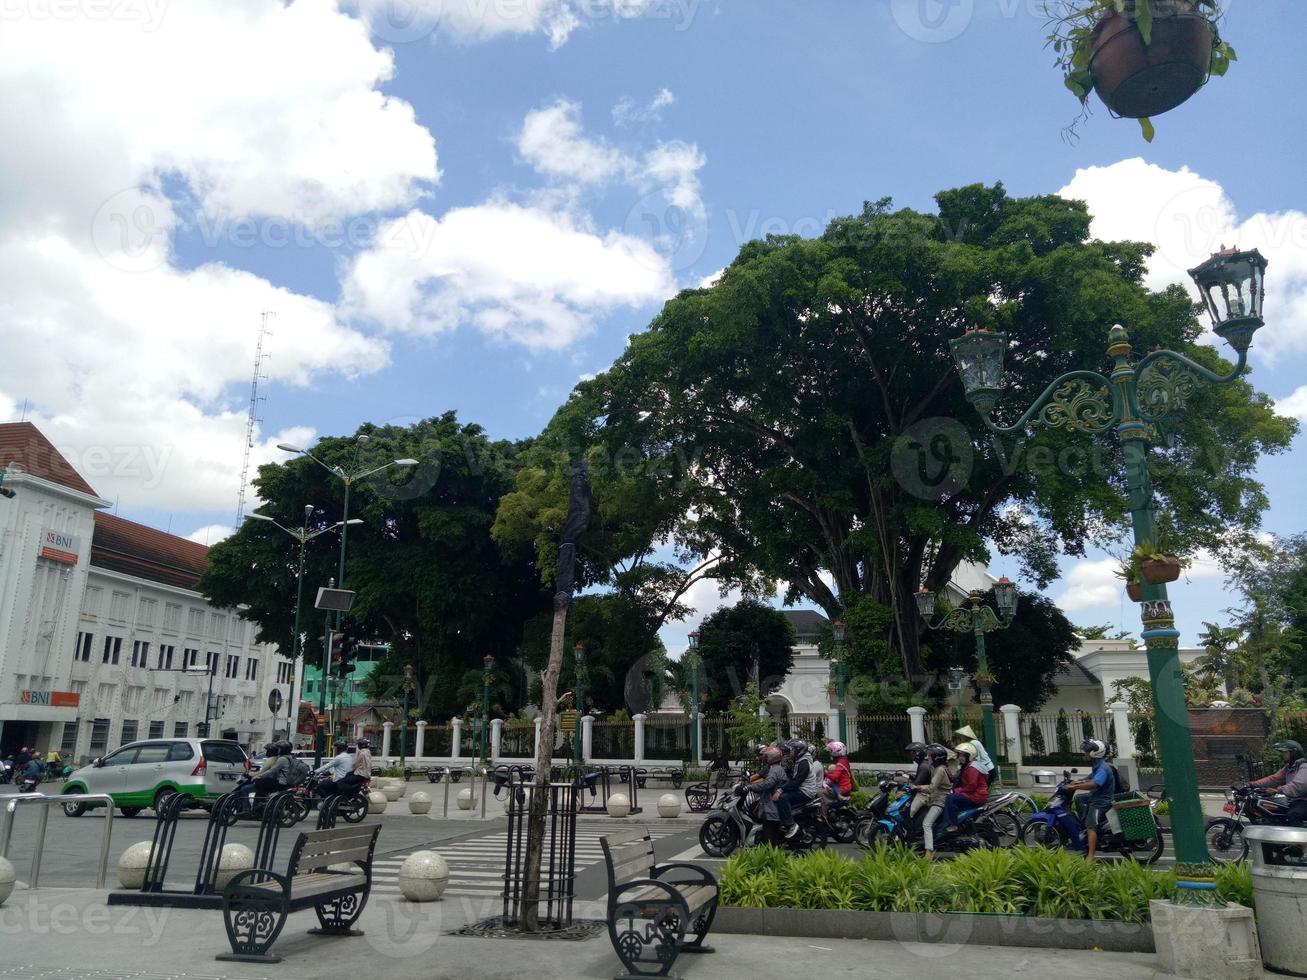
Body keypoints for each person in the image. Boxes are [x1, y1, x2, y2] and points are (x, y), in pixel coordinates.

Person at [1063, 738, 1116, 860]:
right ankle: (1084, 825)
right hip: (1096, 796)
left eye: (1088, 751)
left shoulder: (1103, 768)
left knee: (1091, 825)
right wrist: (1076, 782)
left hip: (1102, 801)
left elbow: (1094, 784)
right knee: (1079, 799)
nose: (1085, 753)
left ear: (1095, 753)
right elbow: (1090, 777)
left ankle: (1091, 855)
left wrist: (1075, 787)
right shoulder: (1097, 765)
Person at [1250, 739, 1307, 822]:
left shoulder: (1304, 767)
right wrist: (1251, 784)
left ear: (1294, 753)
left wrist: (1277, 790)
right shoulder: (1289, 768)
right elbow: (1273, 779)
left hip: (1303, 801)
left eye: (1285, 752)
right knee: (1272, 811)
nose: (1283, 755)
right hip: (1292, 801)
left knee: (1294, 814)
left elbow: (1298, 786)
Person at [777, 740, 823, 839]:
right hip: (801, 789)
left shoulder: (804, 763)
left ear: (799, 751)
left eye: (792, 750)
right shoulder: (799, 761)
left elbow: (796, 782)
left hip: (806, 791)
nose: (790, 752)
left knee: (783, 798)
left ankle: (790, 824)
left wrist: (780, 789)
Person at [916, 744, 954, 858]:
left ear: (936, 758)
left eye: (930, 756)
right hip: (938, 798)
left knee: (926, 824)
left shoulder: (940, 770)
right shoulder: (940, 768)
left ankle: (929, 851)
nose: (928, 758)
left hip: (940, 801)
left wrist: (918, 787)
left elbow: (932, 787)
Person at [941, 744, 988, 833]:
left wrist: (956, 790)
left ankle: (953, 824)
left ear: (969, 756)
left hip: (976, 796)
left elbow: (971, 786)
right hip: (975, 794)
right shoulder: (968, 766)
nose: (960, 758)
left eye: (963, 755)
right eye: (959, 755)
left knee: (950, 798)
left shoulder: (972, 768)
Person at [748, 745, 789, 845]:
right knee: (769, 833)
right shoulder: (775, 768)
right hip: (771, 805)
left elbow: (767, 784)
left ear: (772, 757)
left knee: (769, 834)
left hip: (771, 807)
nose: (764, 758)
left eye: (766, 756)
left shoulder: (775, 770)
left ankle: (769, 854)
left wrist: (750, 787)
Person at [248, 740, 291, 805]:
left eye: (279, 749)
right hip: (286, 781)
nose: (278, 750)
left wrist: (258, 776)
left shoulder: (282, 759)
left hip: (281, 782)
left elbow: (271, 771)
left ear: (283, 750)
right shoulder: (289, 757)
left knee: (259, 782)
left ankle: (262, 800)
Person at [906, 742, 932, 822]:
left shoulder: (923, 766)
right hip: (922, 791)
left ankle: (912, 831)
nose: (911, 756)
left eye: (913, 753)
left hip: (924, 794)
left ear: (919, 753)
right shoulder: (923, 764)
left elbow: (916, 783)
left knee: (910, 812)